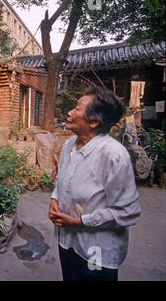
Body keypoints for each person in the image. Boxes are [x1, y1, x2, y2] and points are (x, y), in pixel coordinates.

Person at [48, 86, 141, 281]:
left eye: (77, 109)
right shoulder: (69, 146)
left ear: (94, 122)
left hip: (96, 252)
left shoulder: (113, 155)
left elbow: (128, 211)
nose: (69, 113)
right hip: (67, 241)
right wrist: (55, 199)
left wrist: (81, 221)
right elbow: (62, 180)